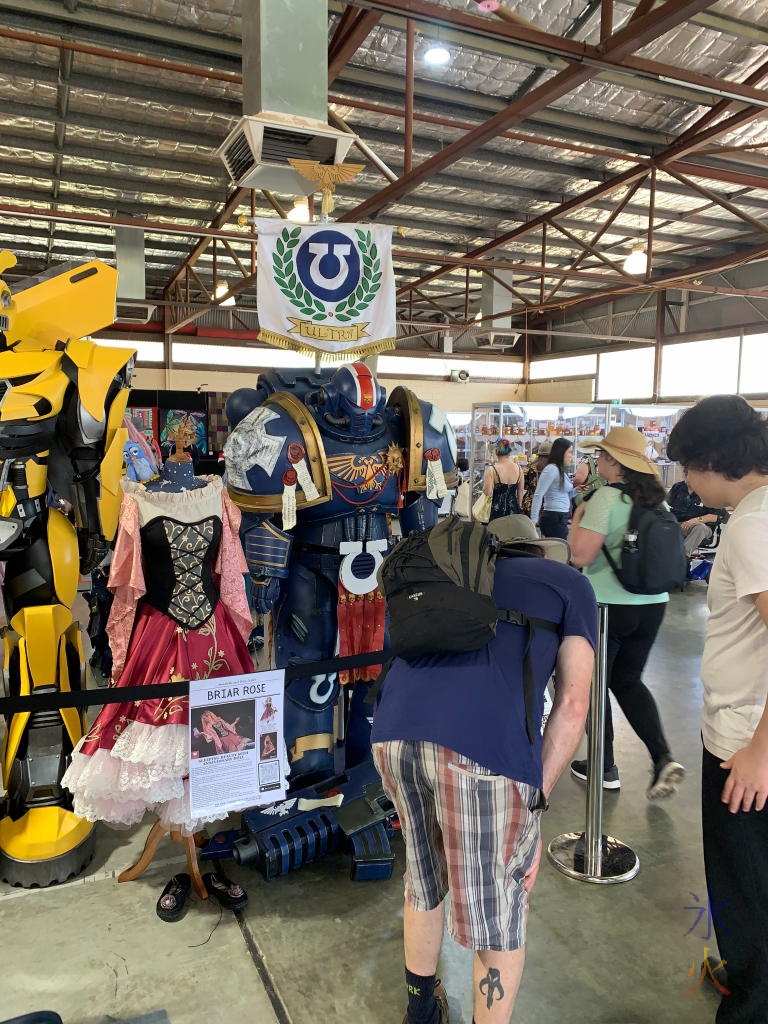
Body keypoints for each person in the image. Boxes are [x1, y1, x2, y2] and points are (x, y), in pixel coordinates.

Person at [371, 515, 596, 1024]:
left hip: (393, 735)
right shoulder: (568, 584)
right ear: (538, 552)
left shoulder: (442, 575)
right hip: (482, 753)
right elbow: (574, 705)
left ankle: (421, 1011)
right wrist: (536, 799)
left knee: (423, 878)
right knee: (496, 910)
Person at [667, 395, 768, 1023]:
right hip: (746, 732)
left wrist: (759, 750)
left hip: (744, 742)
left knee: (743, 890)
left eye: (687, 467)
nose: (684, 480)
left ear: (713, 460)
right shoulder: (754, 516)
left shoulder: (755, 527)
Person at [568, 426, 686, 798]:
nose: (598, 461)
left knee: (594, 683)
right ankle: (662, 755)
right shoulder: (658, 501)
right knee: (628, 680)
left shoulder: (605, 498)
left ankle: (604, 766)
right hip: (653, 605)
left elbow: (579, 556)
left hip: (608, 607)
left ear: (616, 463)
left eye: (602, 456)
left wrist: (578, 517)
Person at [668, 472, 725, 557]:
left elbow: (713, 516)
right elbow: (665, 505)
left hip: (701, 527)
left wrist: (693, 521)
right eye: (685, 474)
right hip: (678, 524)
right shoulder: (678, 487)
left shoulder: (709, 491)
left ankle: (681, 557)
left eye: (690, 475)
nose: (687, 478)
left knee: (699, 528)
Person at [530, 437, 575, 540]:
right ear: (561, 452)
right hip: (554, 517)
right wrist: (533, 519)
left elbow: (564, 494)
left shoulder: (559, 470)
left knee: (559, 550)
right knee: (557, 551)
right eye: (569, 452)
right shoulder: (551, 469)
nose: (571, 456)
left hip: (560, 516)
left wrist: (577, 490)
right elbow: (538, 494)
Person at [483, 438, 525, 521]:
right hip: (513, 509)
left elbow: (487, 492)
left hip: (497, 509)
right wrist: (519, 506)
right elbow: (520, 491)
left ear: (496, 452)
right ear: (509, 453)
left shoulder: (492, 470)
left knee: (496, 532)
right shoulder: (519, 469)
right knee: (511, 533)